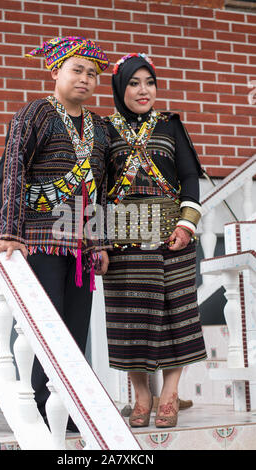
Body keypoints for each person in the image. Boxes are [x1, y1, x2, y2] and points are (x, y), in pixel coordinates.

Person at [0, 36, 110, 431]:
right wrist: (10, 231)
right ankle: (40, 409)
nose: (86, 78)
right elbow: (13, 171)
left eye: (92, 73)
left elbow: (102, 189)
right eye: (77, 69)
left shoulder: (100, 128)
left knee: (74, 333)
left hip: (83, 248)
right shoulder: (36, 113)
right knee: (47, 327)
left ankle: (68, 410)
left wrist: (101, 241)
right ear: (55, 71)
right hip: (39, 241)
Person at [103, 53, 207, 428]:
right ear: (119, 88)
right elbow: (97, 187)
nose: (143, 90)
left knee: (175, 315)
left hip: (172, 236)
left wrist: (187, 224)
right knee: (131, 320)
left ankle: (169, 393)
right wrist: (97, 240)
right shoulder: (104, 129)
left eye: (149, 82)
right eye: (133, 82)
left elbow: (189, 178)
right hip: (123, 238)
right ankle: (142, 395)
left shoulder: (170, 125)